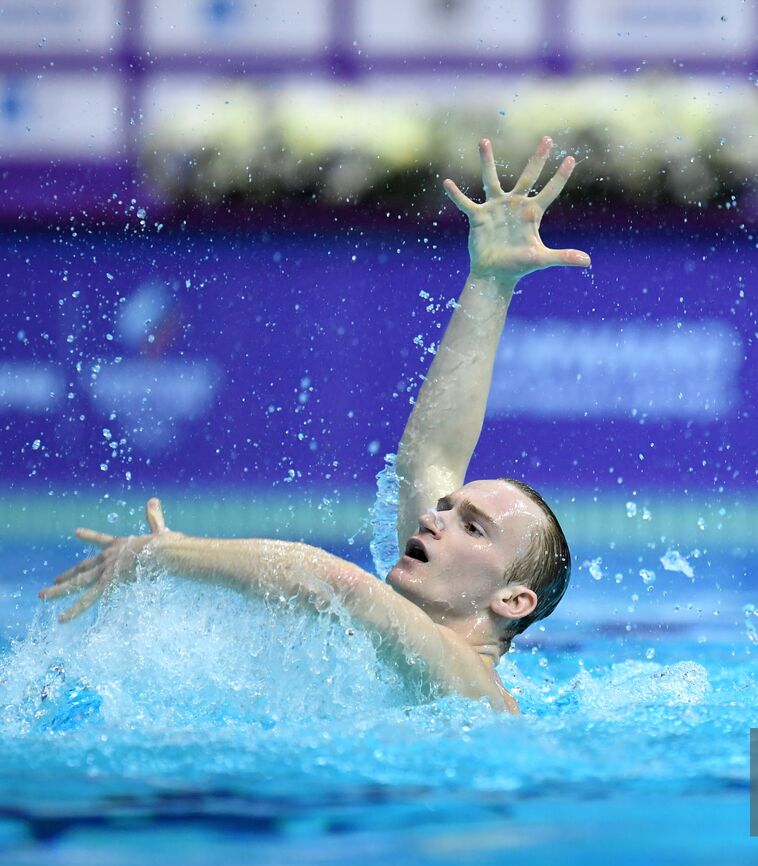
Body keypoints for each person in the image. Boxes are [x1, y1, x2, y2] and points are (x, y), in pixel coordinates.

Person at [39, 137, 591, 714]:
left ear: (513, 600)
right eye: (448, 508)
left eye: (472, 528)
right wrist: (490, 282)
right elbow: (427, 458)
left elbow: (339, 585)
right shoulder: (399, 651)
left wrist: (167, 553)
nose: (433, 516)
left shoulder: (476, 692)